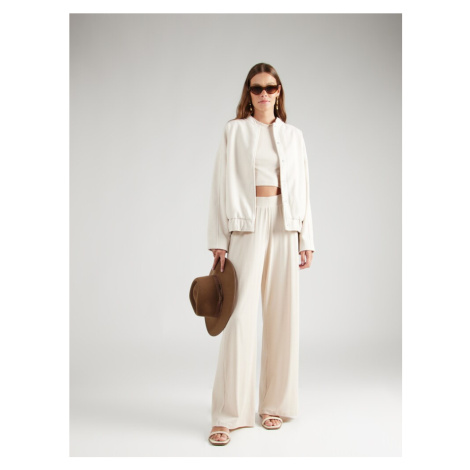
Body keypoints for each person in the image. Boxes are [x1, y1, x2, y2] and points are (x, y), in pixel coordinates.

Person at [207, 63, 315, 445]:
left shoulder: (293, 136)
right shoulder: (234, 131)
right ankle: (228, 415)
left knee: (283, 315)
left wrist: (306, 238)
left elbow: (303, 186)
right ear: (248, 93)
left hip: (285, 223)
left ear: (279, 91)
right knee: (239, 318)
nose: (264, 94)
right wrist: (219, 239)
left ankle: (273, 405)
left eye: (271, 87)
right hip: (246, 223)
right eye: (257, 88)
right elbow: (219, 184)